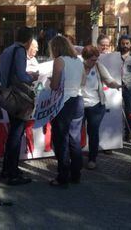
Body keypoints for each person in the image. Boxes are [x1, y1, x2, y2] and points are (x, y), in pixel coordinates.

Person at [0, 26, 38, 186]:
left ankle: (7, 169)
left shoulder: (7, 50)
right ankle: (12, 173)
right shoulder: (20, 51)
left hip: (8, 94)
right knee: (16, 135)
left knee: (13, 135)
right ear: (29, 40)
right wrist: (32, 77)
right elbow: (21, 75)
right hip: (18, 97)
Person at [48, 35, 85, 186]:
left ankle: (62, 176)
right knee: (75, 140)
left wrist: (51, 81)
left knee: (61, 140)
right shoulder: (78, 60)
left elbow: (55, 85)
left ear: (56, 47)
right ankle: (76, 174)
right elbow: (83, 82)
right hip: (78, 100)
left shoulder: (59, 60)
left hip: (64, 103)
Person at [81, 45, 122, 169]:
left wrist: (117, 85)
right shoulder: (78, 67)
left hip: (96, 106)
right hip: (79, 105)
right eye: (92, 60)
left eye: (96, 59)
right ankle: (75, 157)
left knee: (93, 132)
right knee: (76, 133)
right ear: (85, 58)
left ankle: (92, 159)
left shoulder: (98, 66)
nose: (94, 62)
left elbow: (108, 80)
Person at [117, 34, 131, 141]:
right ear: (119, 44)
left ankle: (129, 133)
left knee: (129, 110)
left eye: (127, 43)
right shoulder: (115, 55)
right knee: (115, 110)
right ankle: (116, 134)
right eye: (123, 43)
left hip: (129, 87)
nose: (125, 45)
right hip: (116, 86)